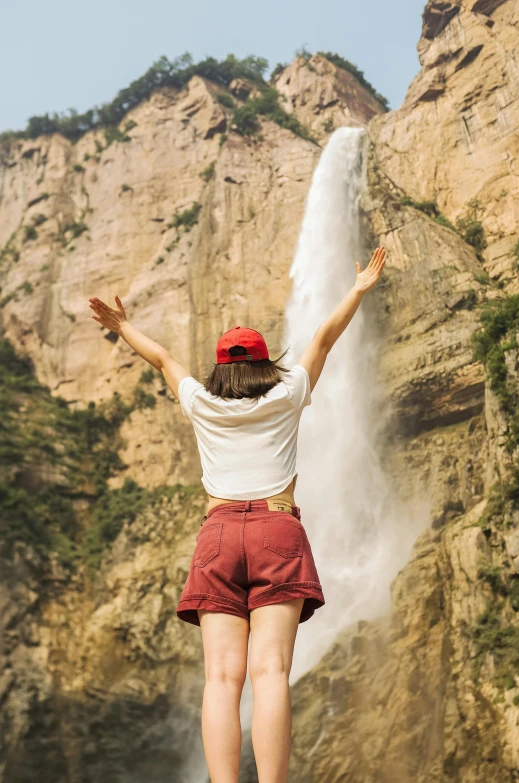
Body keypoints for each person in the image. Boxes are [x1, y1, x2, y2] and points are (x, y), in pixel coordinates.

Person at [88, 245, 386, 783]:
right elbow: (322, 337)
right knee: (270, 672)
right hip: (277, 529)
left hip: (219, 535)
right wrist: (358, 290)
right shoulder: (290, 390)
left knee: (221, 679)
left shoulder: (201, 400)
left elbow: (160, 357)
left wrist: (124, 326)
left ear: (221, 368)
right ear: (264, 361)